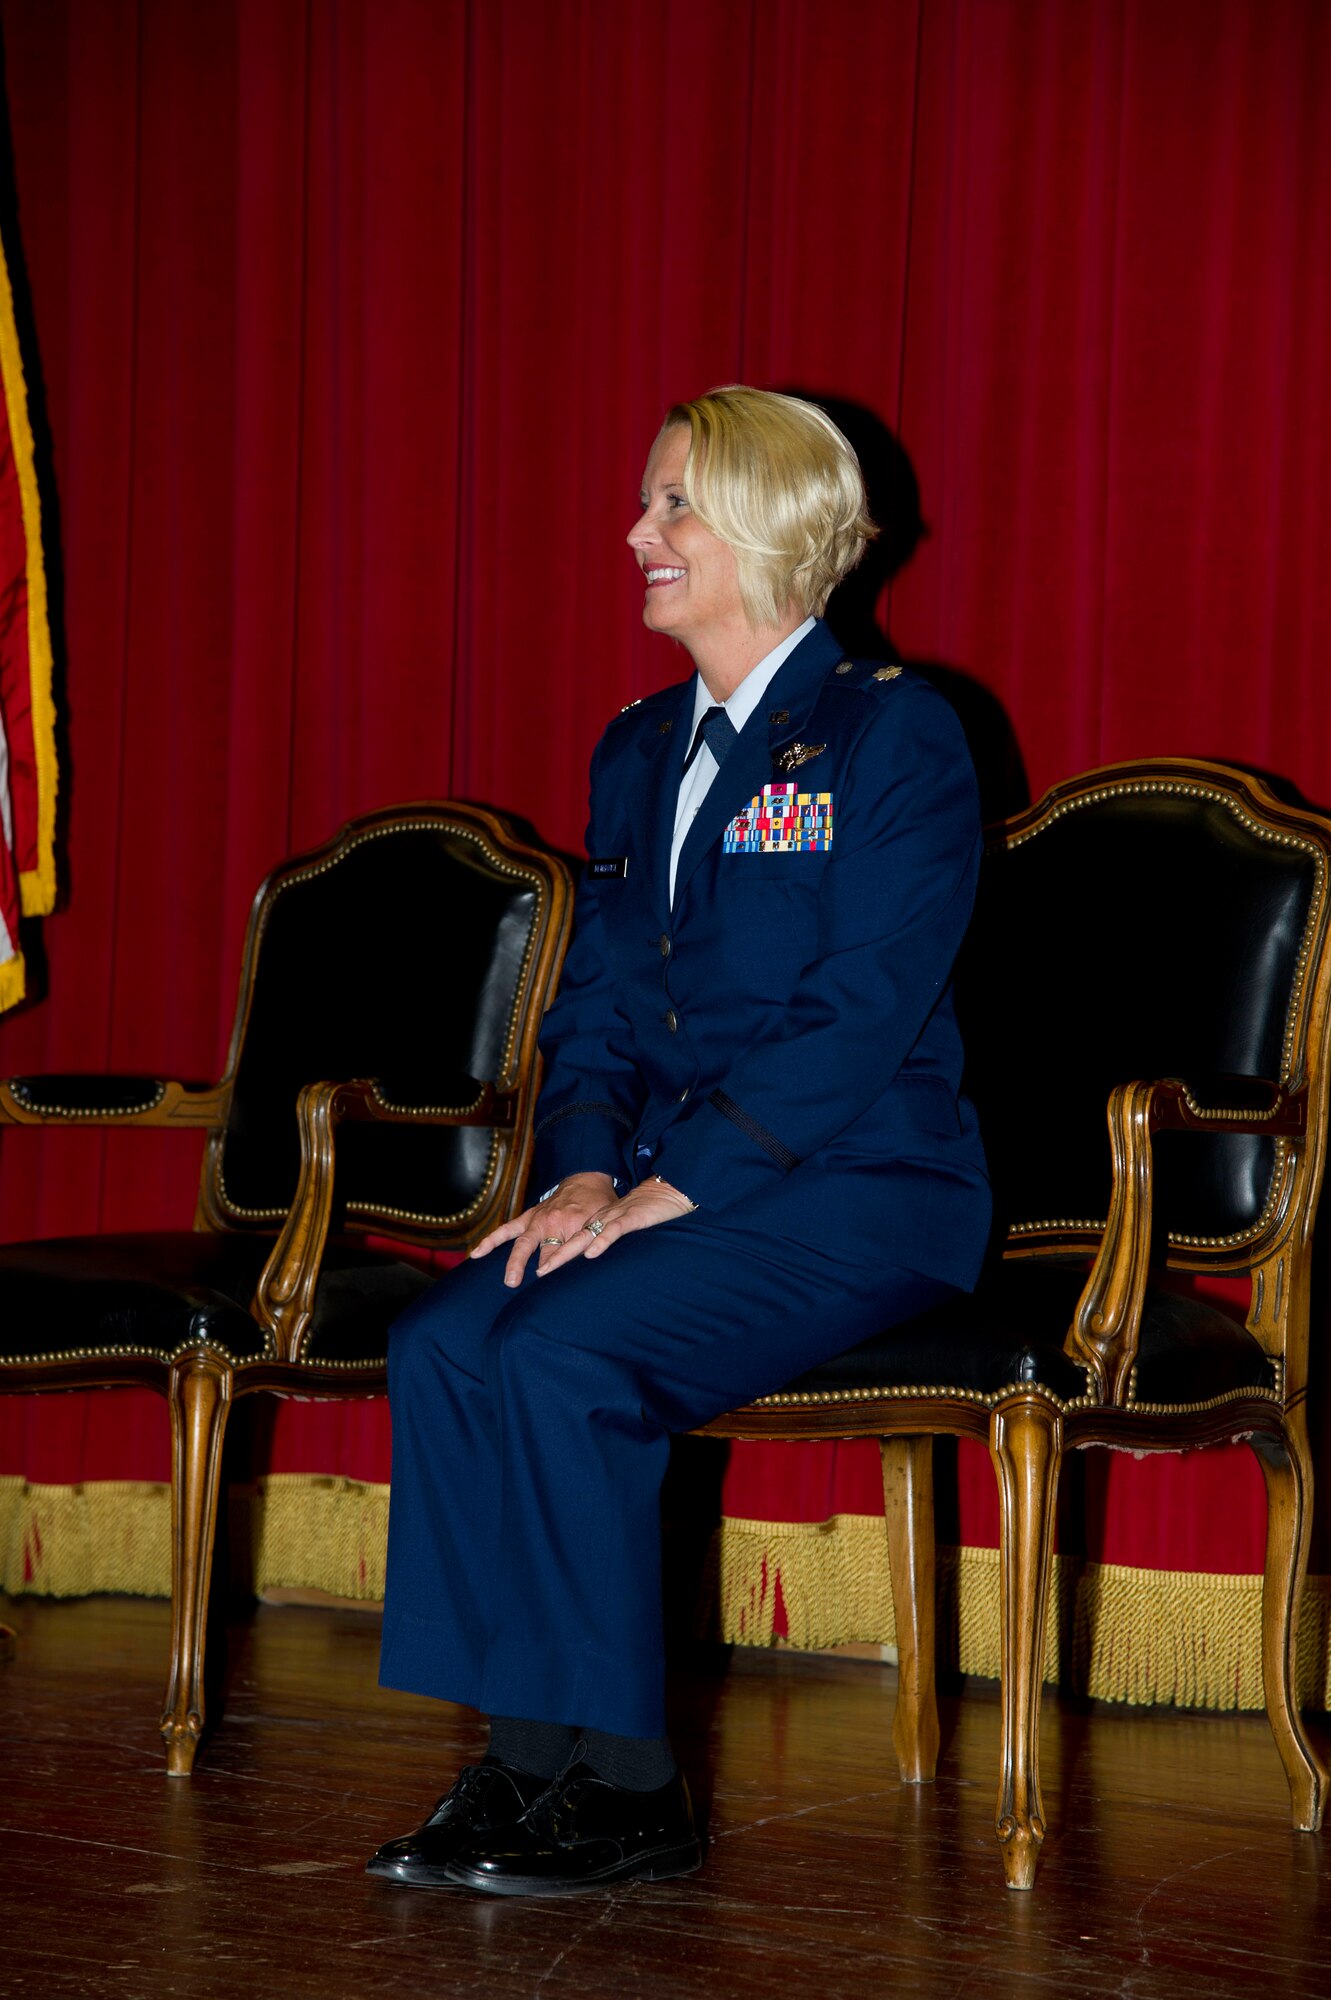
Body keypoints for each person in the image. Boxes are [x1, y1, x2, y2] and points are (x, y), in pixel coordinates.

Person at [366, 386, 990, 1897]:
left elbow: (857, 1014)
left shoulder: (893, 733)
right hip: (669, 1181)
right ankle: (527, 1760)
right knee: (448, 1340)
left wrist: (673, 1185)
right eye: (649, 503)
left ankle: (635, 1790)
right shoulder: (640, 749)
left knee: (561, 1350)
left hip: (862, 1187)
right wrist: (587, 1167)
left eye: (673, 505)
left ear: (768, 525)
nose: (636, 532)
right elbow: (594, 1005)